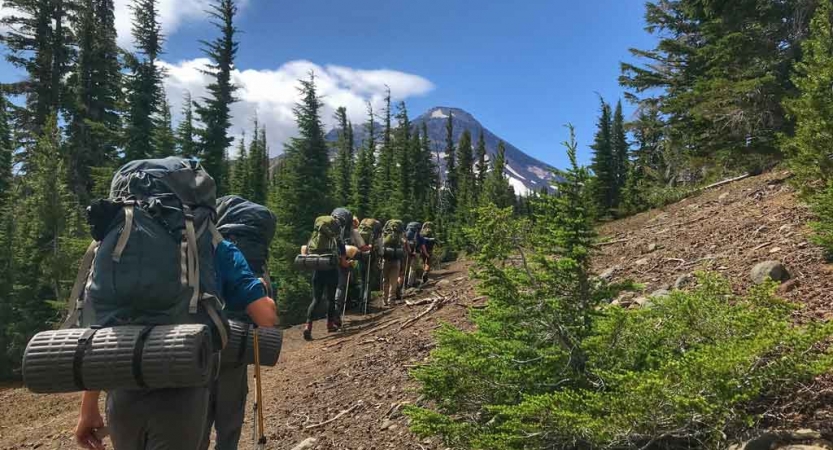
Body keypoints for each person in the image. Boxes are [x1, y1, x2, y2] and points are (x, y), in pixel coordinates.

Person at [74, 240, 277, 450]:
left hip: (125, 386)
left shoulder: (123, 244)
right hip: (183, 392)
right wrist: (263, 291)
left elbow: (105, 327)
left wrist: (88, 407)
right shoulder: (213, 245)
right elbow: (265, 317)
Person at [199, 196, 277, 450]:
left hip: (199, 346)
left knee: (197, 419)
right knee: (229, 421)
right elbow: (267, 318)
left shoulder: (208, 248)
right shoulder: (250, 260)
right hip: (236, 345)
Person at [304, 215, 349, 340]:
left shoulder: (317, 233)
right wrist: (346, 261)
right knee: (330, 298)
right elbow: (343, 256)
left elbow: (307, 249)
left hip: (318, 267)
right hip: (331, 268)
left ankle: (308, 326)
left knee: (316, 299)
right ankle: (330, 325)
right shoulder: (337, 237)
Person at [381, 219, 407, 306]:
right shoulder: (400, 235)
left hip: (386, 259)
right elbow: (405, 244)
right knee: (394, 281)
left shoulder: (385, 233)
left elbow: (381, 244)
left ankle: (384, 300)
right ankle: (391, 301)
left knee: (385, 280)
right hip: (396, 260)